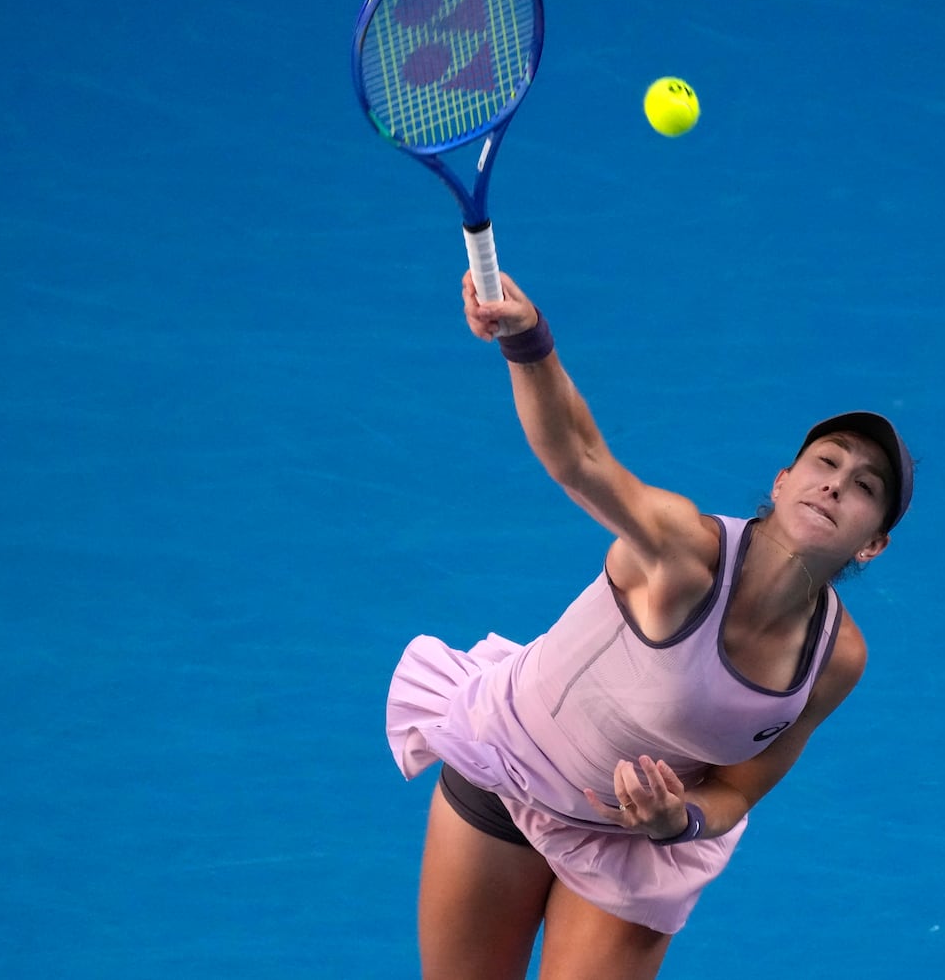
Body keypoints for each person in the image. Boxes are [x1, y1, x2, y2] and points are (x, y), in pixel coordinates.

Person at [385, 268, 915, 980]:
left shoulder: (835, 658)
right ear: (784, 479)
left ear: (872, 542)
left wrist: (681, 821)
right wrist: (530, 340)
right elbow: (579, 457)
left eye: (864, 487)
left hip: (633, 841)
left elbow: (739, 787)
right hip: (511, 770)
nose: (835, 484)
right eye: (825, 462)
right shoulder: (680, 550)